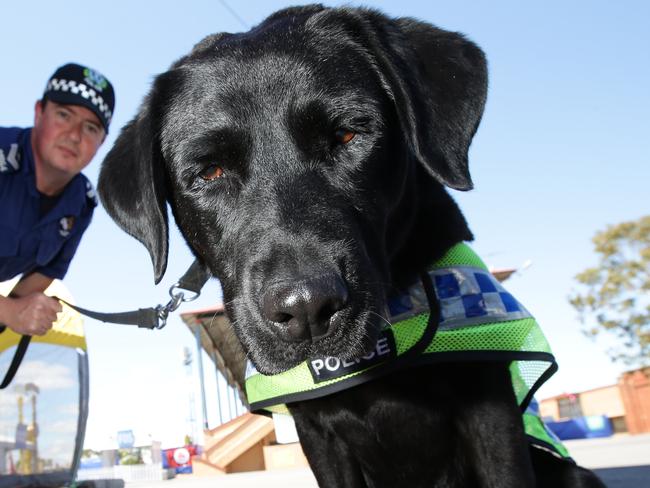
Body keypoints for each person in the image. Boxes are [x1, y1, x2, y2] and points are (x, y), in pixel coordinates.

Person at [0, 63, 115, 336]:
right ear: (39, 112)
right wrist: (8, 312)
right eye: (64, 115)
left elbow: (36, 282)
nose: (74, 135)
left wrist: (20, 312)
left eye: (90, 128)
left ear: (101, 142)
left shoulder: (81, 205)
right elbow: (12, 310)